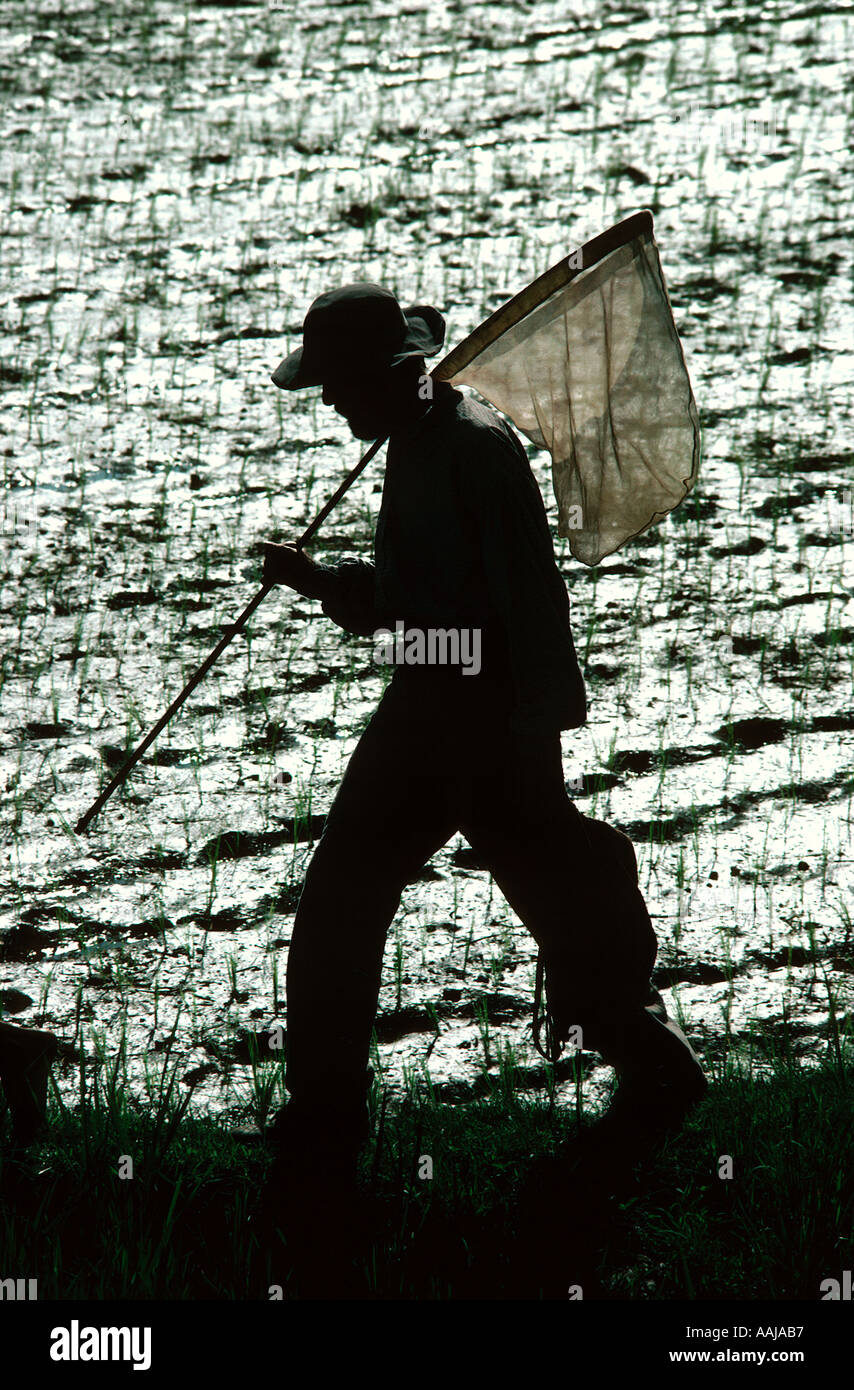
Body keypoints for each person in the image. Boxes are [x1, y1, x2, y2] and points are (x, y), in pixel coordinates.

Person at [259, 283, 707, 1192]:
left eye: (340, 387)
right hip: (441, 707)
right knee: (494, 894)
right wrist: (338, 589)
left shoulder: (469, 450)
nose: (333, 403)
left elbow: (499, 621)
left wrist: (343, 601)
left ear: (390, 375)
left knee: (362, 898)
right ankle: (649, 1062)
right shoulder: (419, 439)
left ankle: (328, 1115)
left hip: (474, 719)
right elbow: (424, 603)